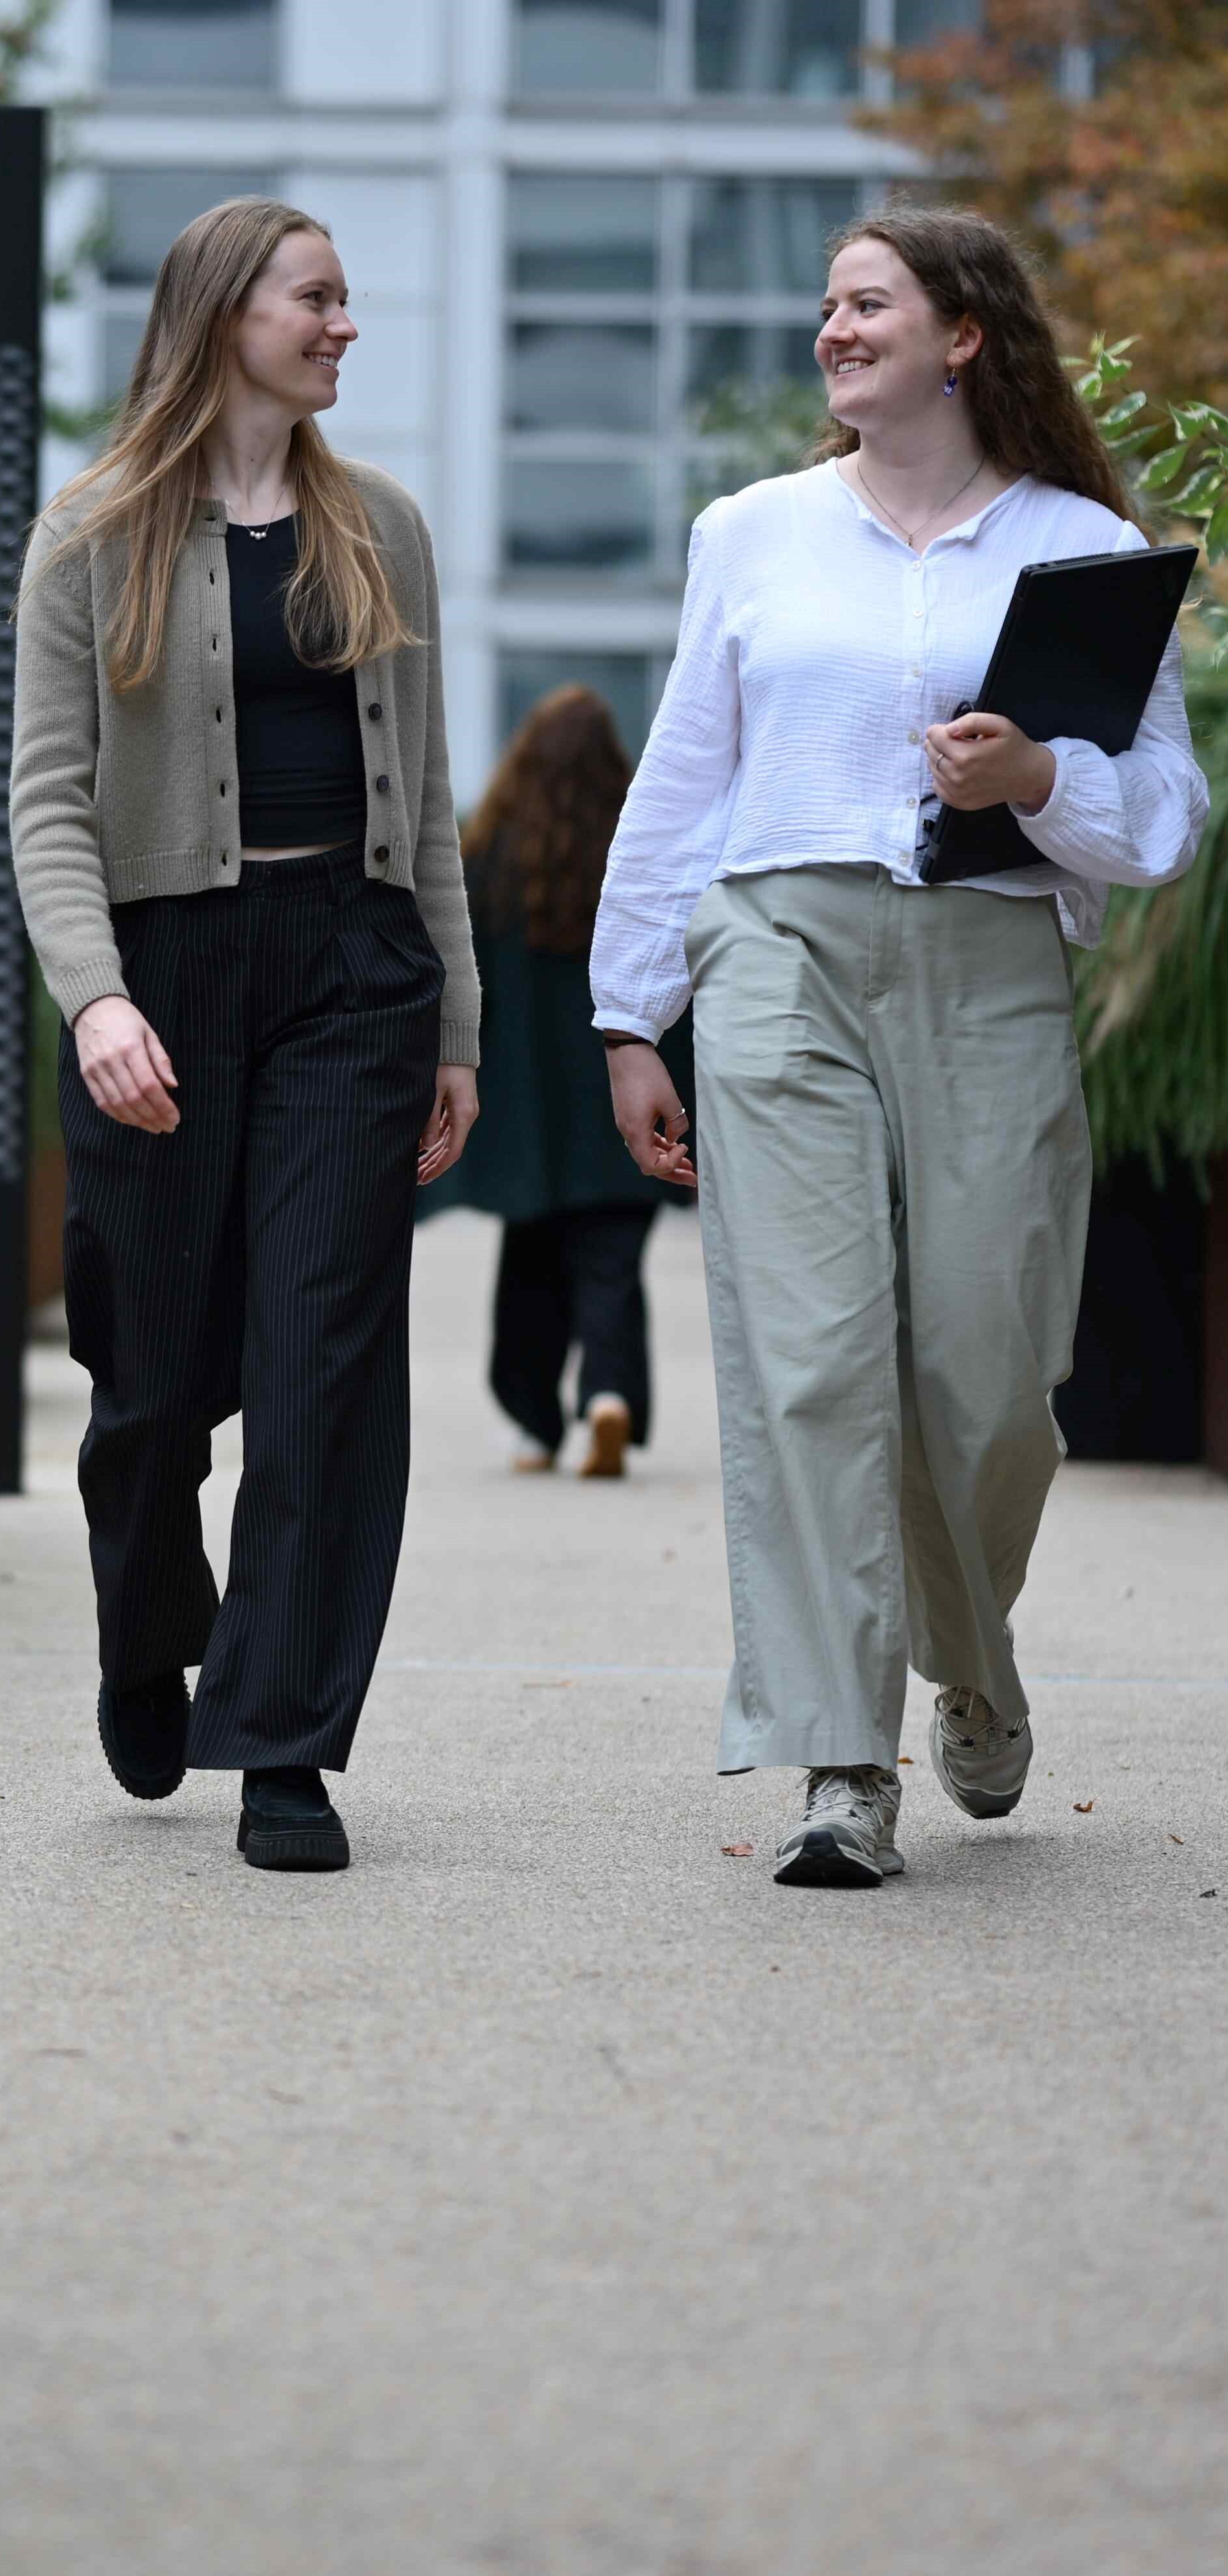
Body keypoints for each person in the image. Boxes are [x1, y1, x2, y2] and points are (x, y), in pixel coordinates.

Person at [590, 205, 1207, 1889]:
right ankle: (834, 1759)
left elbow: (1158, 815)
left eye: (864, 302)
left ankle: (975, 1663)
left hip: (990, 967)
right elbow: (680, 782)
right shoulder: (751, 534)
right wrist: (626, 1012)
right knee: (809, 1365)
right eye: (822, 307)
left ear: (961, 335)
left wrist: (1033, 784)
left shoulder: (1077, 547)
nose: (830, 329)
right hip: (774, 947)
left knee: (983, 1389)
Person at [10, 197, 481, 1875]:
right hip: (160, 970)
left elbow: (421, 800)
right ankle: (147, 1624)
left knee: (320, 1358)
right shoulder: (91, 531)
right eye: (317, 299)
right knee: (148, 1381)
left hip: (351, 977)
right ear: (224, 316)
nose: (343, 327)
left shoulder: (384, 533)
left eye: (346, 301)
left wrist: (454, 1022)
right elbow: (45, 803)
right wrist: (96, 999)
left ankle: (281, 1741)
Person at [424, 683, 692, 1481]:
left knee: (529, 1264)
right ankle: (608, 1394)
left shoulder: (488, 858)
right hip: (620, 1102)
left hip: (526, 1114)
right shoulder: (636, 858)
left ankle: (535, 1422)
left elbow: (467, 983)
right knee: (610, 1265)